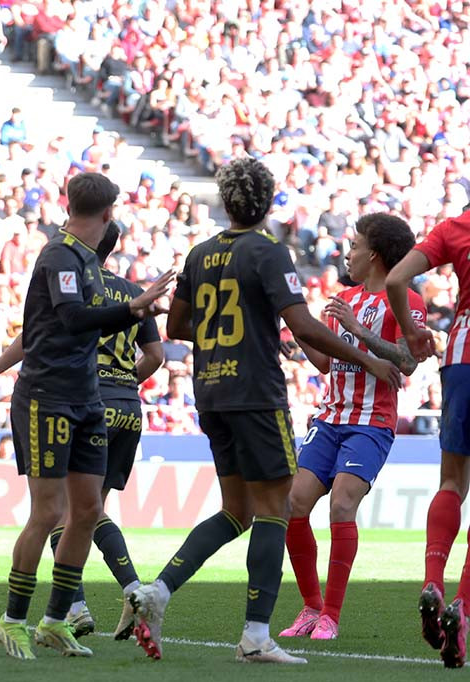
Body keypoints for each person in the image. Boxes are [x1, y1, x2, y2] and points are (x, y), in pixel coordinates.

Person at [130, 157, 401, 664]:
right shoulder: (269, 251)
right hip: (256, 395)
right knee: (275, 510)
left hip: (210, 394)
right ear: (267, 201)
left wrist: (242, 325)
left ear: (227, 201)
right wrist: (364, 355)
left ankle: (159, 591)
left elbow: (179, 330)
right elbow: (305, 326)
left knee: (238, 511)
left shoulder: (200, 253)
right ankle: (256, 634)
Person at [0, 173, 172, 661]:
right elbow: (70, 317)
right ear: (109, 212)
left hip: (88, 398)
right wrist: (131, 308)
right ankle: (12, 619)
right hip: (47, 396)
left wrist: (129, 310)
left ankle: (54, 621)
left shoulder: (86, 260)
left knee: (87, 512)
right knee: (48, 512)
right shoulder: (59, 255)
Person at [280, 213, 425, 641]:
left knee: (342, 505)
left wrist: (355, 328)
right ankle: (309, 607)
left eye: (356, 245)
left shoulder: (407, 302)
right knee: (293, 504)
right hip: (329, 418)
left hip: (371, 423)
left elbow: (407, 362)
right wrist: (297, 330)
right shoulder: (346, 299)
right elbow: (326, 362)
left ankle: (331, 614)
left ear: (375, 256)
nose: (348, 252)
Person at [386, 206, 470, 668]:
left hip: (461, 356)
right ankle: (464, 608)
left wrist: (415, 333)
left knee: (452, 483)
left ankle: (432, 580)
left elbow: (397, 280)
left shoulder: (455, 227)